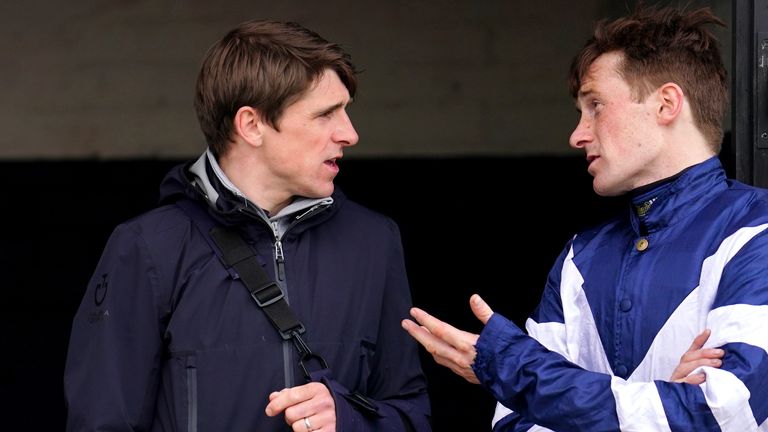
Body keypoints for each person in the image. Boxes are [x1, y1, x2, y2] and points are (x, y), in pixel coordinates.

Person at [402, 4, 768, 431]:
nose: (578, 135)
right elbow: (514, 424)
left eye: (595, 105)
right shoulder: (581, 256)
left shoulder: (757, 232)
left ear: (666, 103)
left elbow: (727, 412)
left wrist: (522, 373)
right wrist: (663, 401)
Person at [64, 20, 431, 431]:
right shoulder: (147, 247)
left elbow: (411, 414)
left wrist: (347, 419)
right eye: (326, 114)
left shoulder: (374, 241)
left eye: (345, 111)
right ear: (251, 125)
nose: (350, 133)